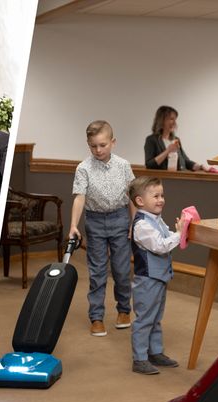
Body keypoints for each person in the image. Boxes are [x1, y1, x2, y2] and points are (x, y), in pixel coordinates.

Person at [69, 120, 135, 337]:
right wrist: (73, 225)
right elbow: (80, 197)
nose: (98, 150)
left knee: (121, 270)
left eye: (102, 145)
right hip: (95, 222)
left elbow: (133, 197)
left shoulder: (123, 166)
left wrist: (134, 222)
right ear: (88, 144)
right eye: (93, 146)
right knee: (97, 272)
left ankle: (124, 310)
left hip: (120, 219)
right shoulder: (83, 168)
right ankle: (96, 317)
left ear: (113, 142)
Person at [128, 176, 185, 375]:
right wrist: (179, 235)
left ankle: (155, 352)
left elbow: (167, 236)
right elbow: (160, 245)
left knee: (155, 317)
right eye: (155, 196)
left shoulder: (156, 220)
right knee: (145, 319)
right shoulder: (141, 225)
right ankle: (140, 359)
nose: (161, 200)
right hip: (147, 280)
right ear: (140, 201)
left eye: (162, 195)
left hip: (159, 278)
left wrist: (179, 232)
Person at [143, 106, 217, 172]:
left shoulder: (176, 139)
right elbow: (149, 165)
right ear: (161, 120)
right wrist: (168, 151)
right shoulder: (151, 140)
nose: (174, 123)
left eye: (175, 119)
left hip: (179, 179)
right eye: (171, 119)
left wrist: (201, 166)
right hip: (161, 180)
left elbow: (186, 161)